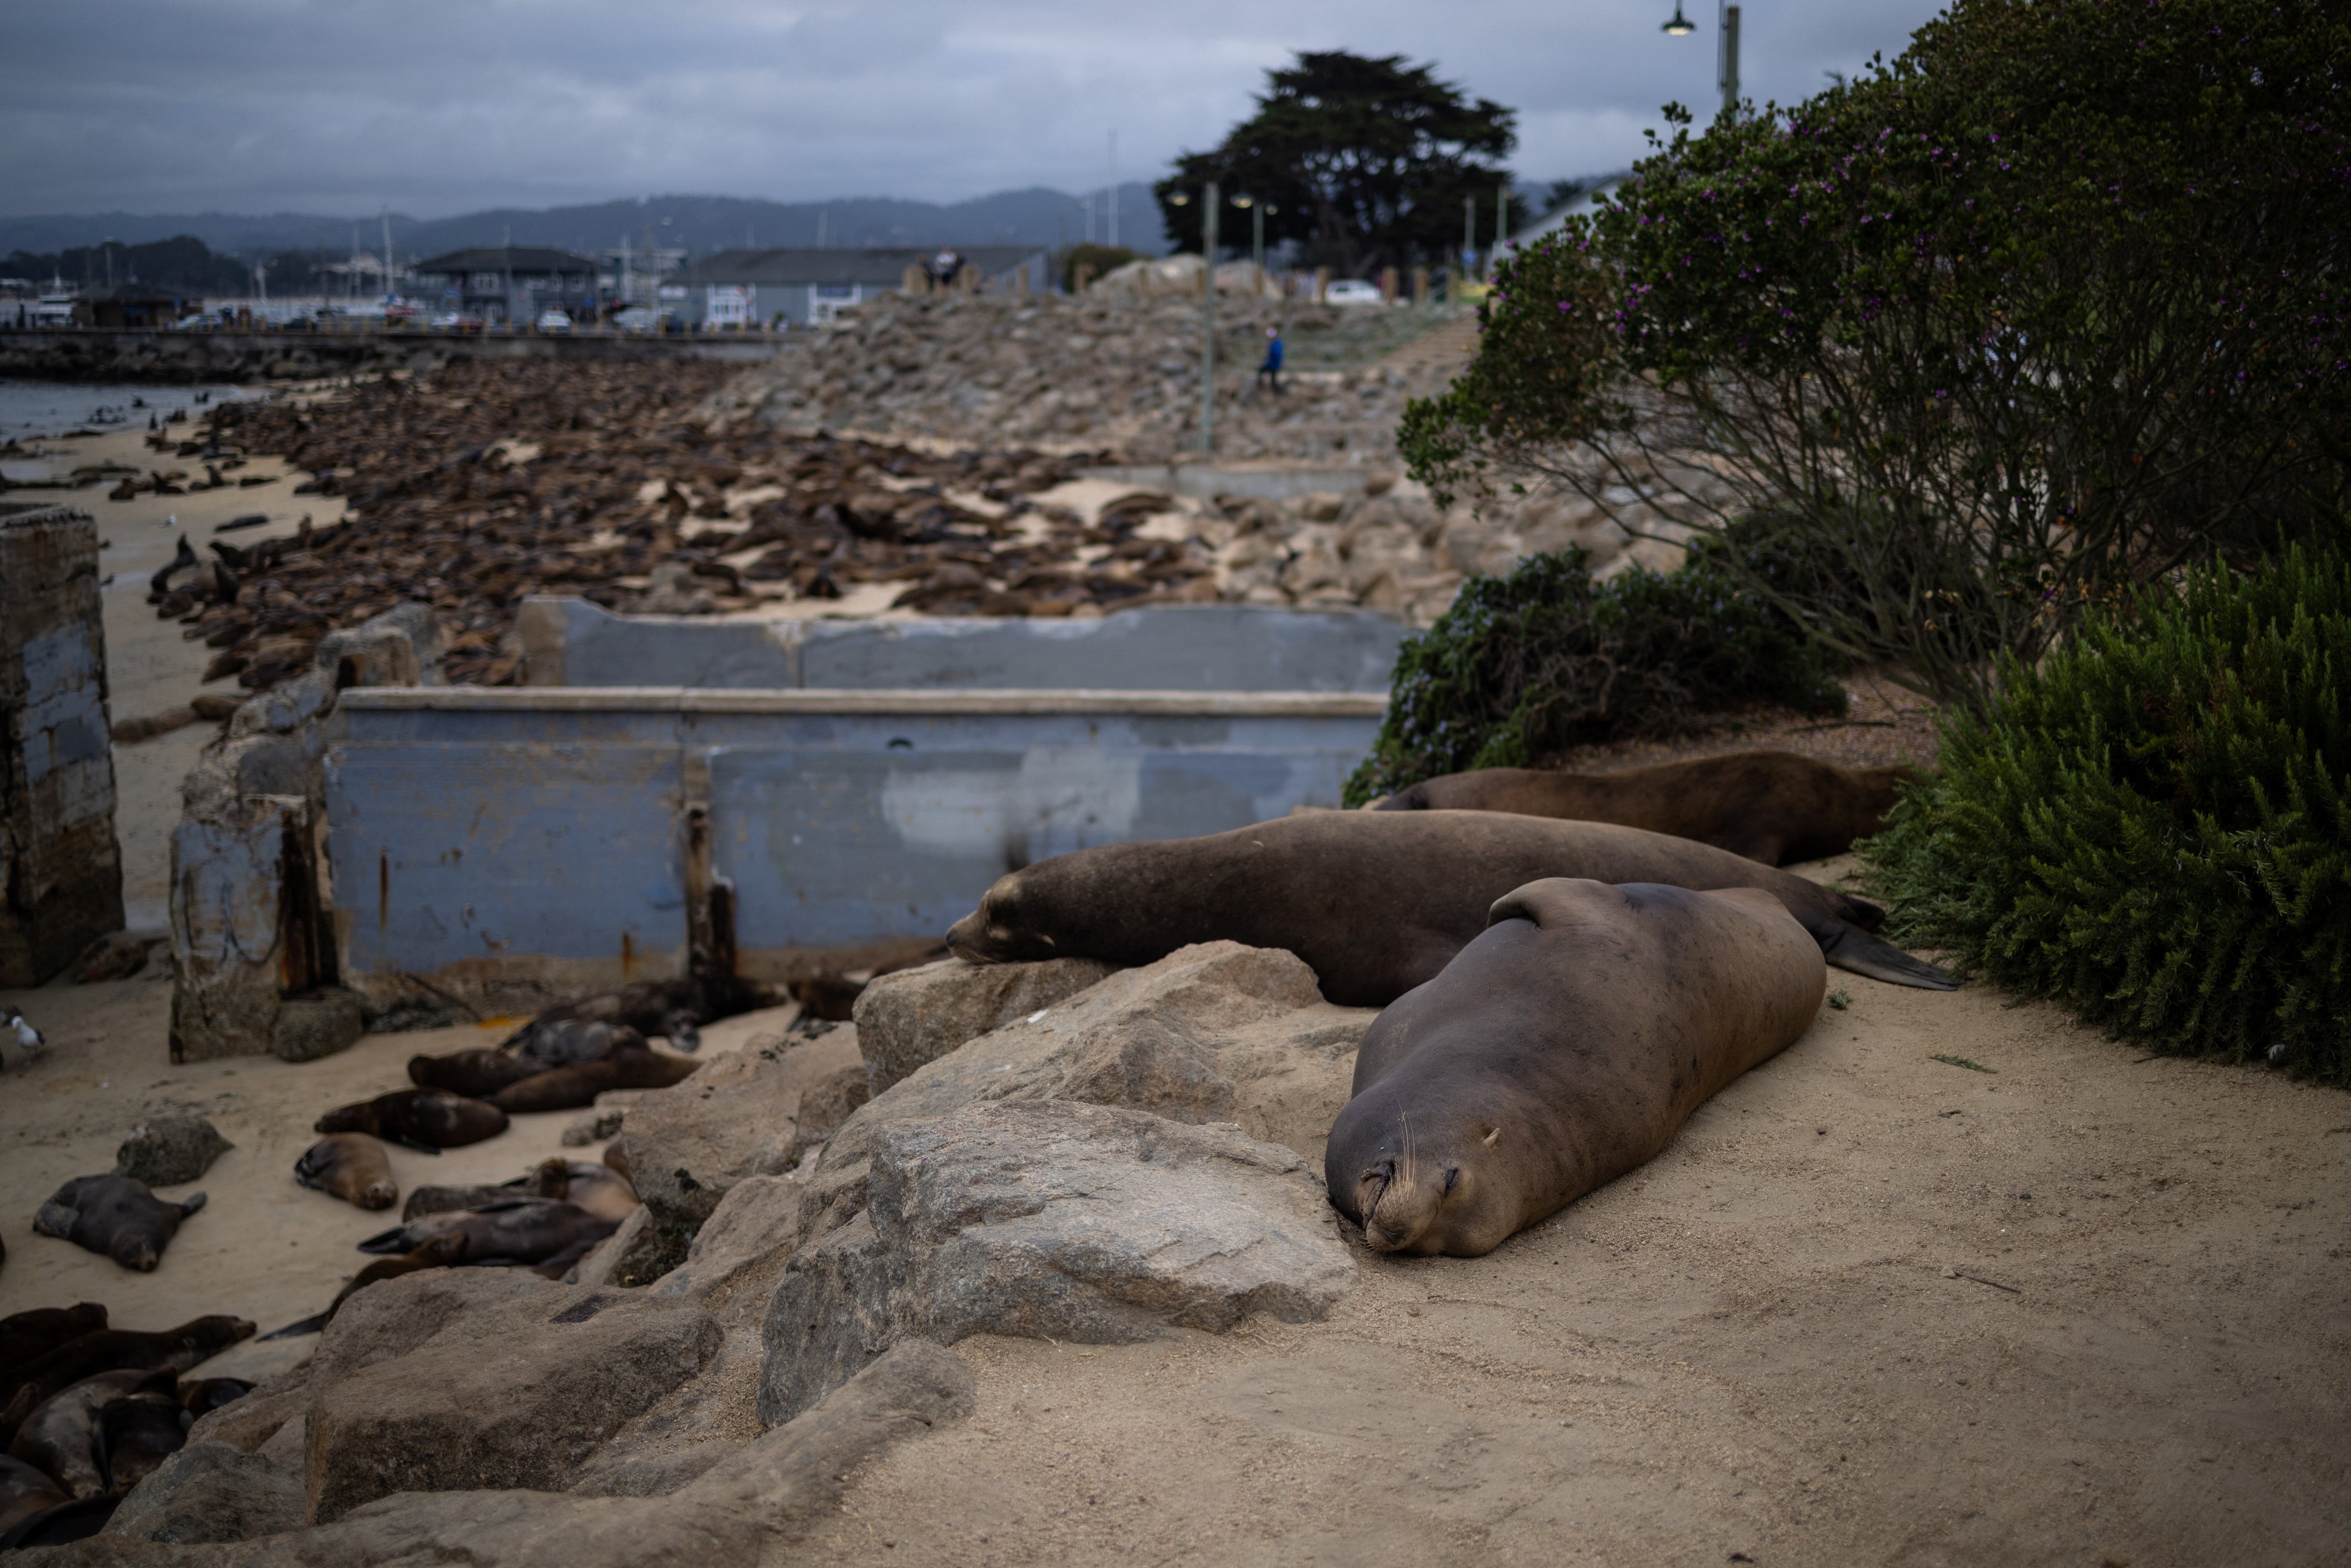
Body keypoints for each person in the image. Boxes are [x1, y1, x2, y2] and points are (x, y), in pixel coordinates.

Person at [1256, 324, 1285, 395]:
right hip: (1273, 364)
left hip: (1274, 365)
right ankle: (1278, 393)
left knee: (1262, 372)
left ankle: (1278, 392)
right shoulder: (1276, 343)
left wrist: (1268, 353)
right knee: (1273, 380)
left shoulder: (1276, 344)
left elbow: (1276, 354)